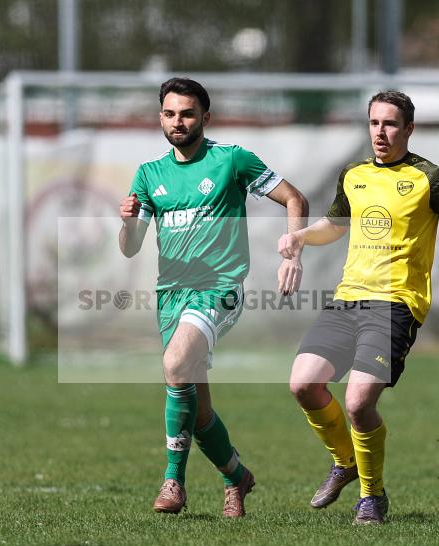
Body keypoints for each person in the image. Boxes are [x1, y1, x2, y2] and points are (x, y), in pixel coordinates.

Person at [279, 90, 439, 525]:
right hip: (347, 298)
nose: (381, 132)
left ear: (408, 129)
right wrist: (299, 237)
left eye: (390, 124)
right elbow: (334, 226)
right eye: (374, 123)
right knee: (303, 384)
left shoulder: (430, 178)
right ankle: (346, 461)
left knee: (357, 402)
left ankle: (371, 498)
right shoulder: (354, 175)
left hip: (396, 304)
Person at [120, 77, 308, 517]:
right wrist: (128, 221)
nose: (177, 121)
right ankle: (236, 477)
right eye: (169, 114)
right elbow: (130, 246)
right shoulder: (149, 174)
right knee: (197, 411)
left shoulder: (231, 160)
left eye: (187, 113)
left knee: (173, 365)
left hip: (219, 289)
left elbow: (294, 198)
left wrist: (293, 251)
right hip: (171, 296)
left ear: (206, 117)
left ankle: (173, 482)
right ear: (160, 117)